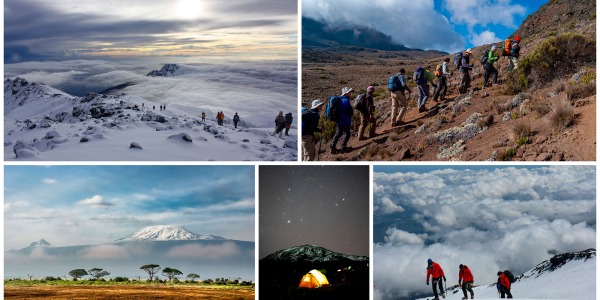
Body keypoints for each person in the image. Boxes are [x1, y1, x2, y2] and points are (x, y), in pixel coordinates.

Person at [330, 86, 354, 154]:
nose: (350, 94)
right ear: (346, 93)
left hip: (339, 120)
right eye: (349, 92)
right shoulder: (345, 100)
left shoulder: (338, 99)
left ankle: (333, 147)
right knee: (347, 133)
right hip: (345, 120)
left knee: (338, 133)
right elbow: (349, 111)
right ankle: (343, 147)